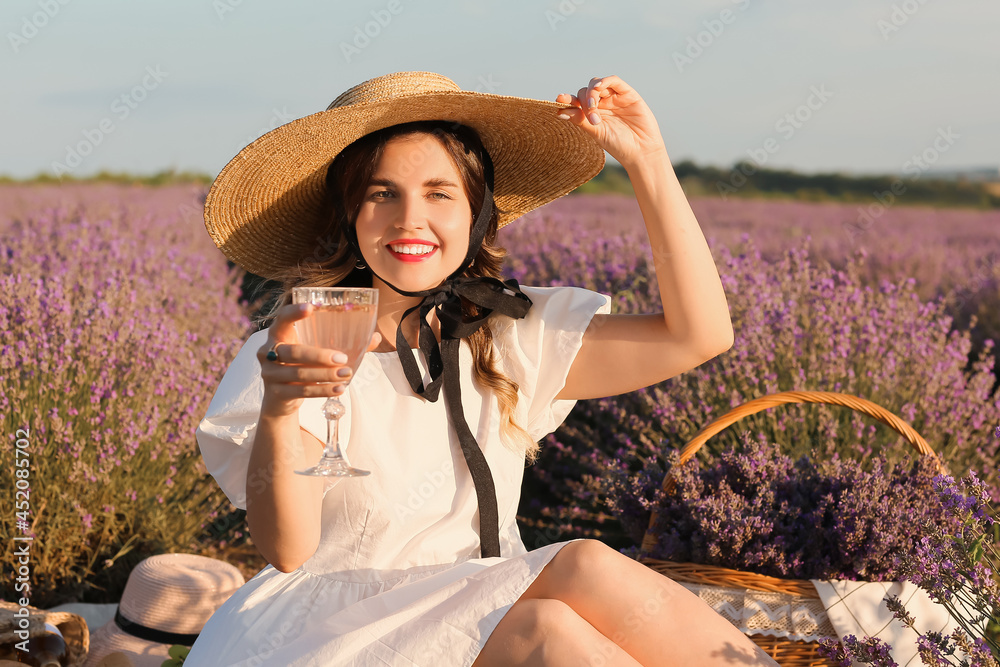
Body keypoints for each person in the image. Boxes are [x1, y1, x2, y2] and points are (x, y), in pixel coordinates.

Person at [188, 71, 778, 666]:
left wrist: (647, 161)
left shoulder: (506, 334)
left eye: (439, 193)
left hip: (486, 613)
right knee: (571, 579)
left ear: (476, 212)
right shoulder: (299, 345)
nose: (408, 219)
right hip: (334, 632)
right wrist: (281, 407)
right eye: (380, 193)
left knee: (552, 617)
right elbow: (289, 551)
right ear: (349, 217)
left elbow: (699, 336)